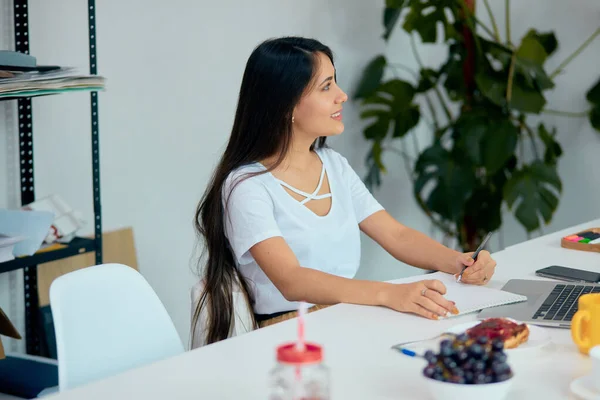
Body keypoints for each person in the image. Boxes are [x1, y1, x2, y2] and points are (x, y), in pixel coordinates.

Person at [191, 36, 497, 347]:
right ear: (285, 104)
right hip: (289, 336)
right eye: (326, 87)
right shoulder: (246, 186)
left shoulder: (333, 165)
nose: (342, 95)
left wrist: (459, 262)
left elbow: (396, 235)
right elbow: (291, 280)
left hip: (347, 317)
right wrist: (387, 293)